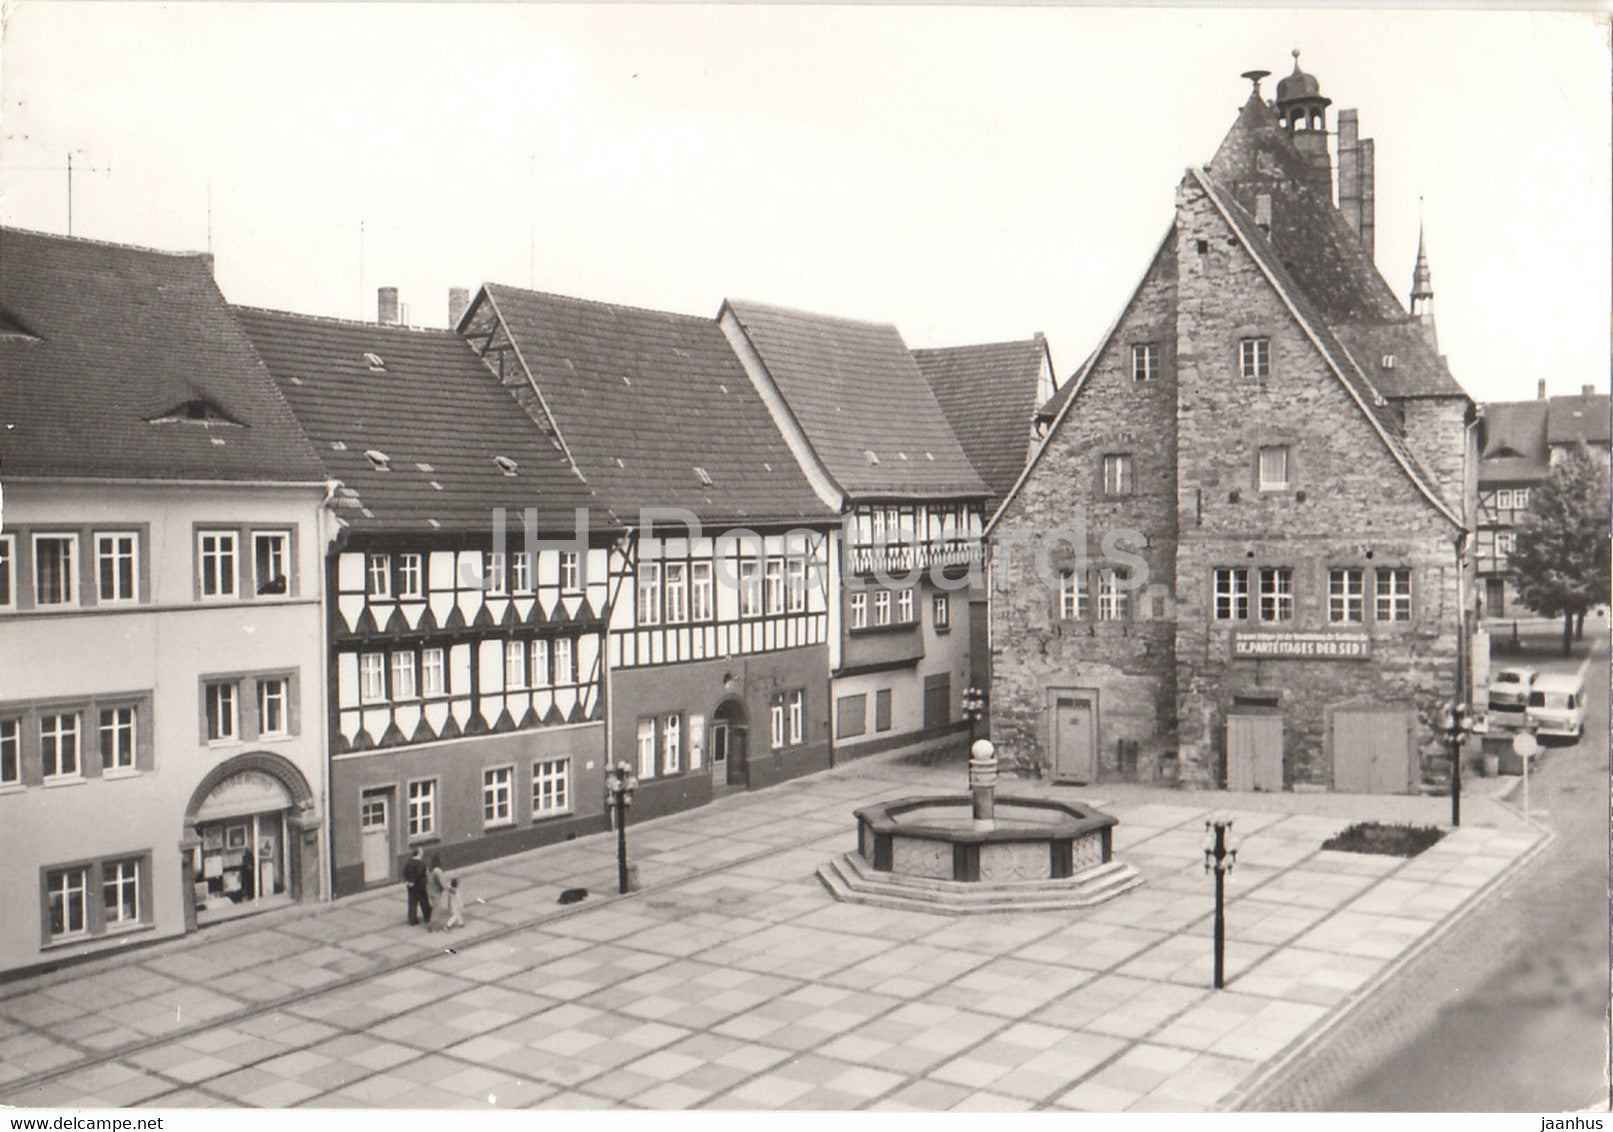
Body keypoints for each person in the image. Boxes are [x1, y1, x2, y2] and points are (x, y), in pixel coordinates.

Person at [403, 847, 430, 926]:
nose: (422, 853)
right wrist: (414, 881)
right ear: (418, 853)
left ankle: (412, 920)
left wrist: (408, 881)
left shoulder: (408, 862)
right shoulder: (421, 864)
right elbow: (419, 874)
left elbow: (405, 872)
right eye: (421, 852)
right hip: (420, 886)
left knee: (412, 903)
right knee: (424, 902)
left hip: (410, 886)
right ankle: (427, 917)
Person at [427, 854, 449, 930]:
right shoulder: (438, 871)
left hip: (430, 890)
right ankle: (432, 926)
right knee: (436, 909)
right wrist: (449, 888)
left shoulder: (430, 869)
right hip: (436, 892)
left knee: (434, 907)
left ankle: (433, 924)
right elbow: (442, 883)